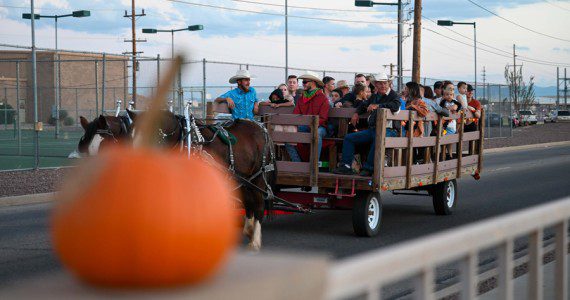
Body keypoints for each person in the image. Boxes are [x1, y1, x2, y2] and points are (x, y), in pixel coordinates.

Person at [333, 73, 400, 176]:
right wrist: (356, 113)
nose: (383, 86)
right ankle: (345, 166)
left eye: (385, 83)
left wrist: (378, 106)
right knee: (349, 138)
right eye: (380, 83)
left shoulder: (393, 95)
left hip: (389, 130)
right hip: (374, 129)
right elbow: (365, 104)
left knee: (378, 138)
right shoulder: (375, 96)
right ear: (376, 85)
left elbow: (395, 105)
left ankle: (369, 168)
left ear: (388, 84)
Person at [285, 71, 330, 162]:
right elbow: (296, 115)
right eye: (303, 82)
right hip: (305, 126)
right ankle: (298, 164)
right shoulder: (302, 98)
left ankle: (314, 164)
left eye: (305, 82)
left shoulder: (323, 98)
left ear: (313, 82)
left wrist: (311, 125)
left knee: (316, 133)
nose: (303, 84)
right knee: (287, 134)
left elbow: (323, 118)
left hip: (320, 127)